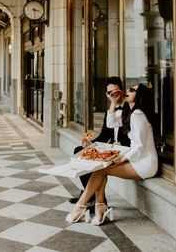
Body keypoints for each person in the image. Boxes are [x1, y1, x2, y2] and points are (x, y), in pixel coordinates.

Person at [66, 83, 158, 225]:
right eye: (128, 88)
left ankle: (83, 205)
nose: (128, 91)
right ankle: (98, 204)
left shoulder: (138, 115)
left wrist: (120, 160)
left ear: (139, 96)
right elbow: (110, 124)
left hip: (144, 163)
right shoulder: (131, 112)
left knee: (101, 170)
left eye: (132, 90)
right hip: (136, 158)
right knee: (100, 169)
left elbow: (139, 147)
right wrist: (113, 103)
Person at [68, 76, 131, 205]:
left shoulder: (130, 108)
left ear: (122, 91)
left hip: (125, 150)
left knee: (97, 165)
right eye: (110, 93)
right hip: (111, 148)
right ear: (106, 95)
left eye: (116, 92)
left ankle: (96, 200)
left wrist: (113, 104)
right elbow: (104, 136)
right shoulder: (110, 111)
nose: (113, 95)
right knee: (79, 150)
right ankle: (88, 193)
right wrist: (90, 143)